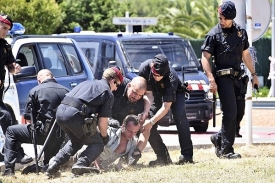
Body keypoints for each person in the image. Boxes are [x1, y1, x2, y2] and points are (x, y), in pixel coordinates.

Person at [201, 1, 260, 158]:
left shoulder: (241, 32)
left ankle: (219, 137)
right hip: (222, 77)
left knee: (239, 112)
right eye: (220, 18)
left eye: (224, 18)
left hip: (238, 77)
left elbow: (245, 54)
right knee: (230, 112)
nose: (222, 21)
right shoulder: (213, 34)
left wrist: (254, 74)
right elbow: (205, 58)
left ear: (232, 18)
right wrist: (210, 79)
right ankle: (226, 151)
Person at [46, 67, 123, 177]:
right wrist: (104, 137)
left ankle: (54, 164)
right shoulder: (108, 93)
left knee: (76, 141)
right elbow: (103, 122)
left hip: (60, 113)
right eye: (117, 84)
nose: (116, 89)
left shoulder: (87, 83)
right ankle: (80, 164)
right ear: (112, 81)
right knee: (98, 143)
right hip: (74, 115)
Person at [2, 69, 69, 176]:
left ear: (39, 80)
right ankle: (47, 164)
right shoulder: (66, 91)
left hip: (41, 133)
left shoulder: (35, 91)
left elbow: (29, 119)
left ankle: (9, 170)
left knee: (11, 131)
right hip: (59, 136)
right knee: (49, 158)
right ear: (53, 78)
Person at [139, 54, 193, 166]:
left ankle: (187, 156)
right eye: (154, 74)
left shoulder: (171, 78)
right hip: (155, 95)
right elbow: (148, 94)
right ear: (151, 65)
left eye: (160, 76)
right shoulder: (144, 68)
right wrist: (146, 113)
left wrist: (152, 122)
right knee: (148, 123)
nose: (157, 78)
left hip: (175, 93)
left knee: (180, 117)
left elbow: (166, 107)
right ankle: (163, 158)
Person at [0, 14, 32, 164]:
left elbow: (10, 66)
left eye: (8, 29)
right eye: (4, 28)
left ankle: (13, 155)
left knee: (7, 118)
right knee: (5, 116)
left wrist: (15, 68)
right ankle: (17, 154)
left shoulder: (5, 45)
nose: (6, 32)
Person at [75, 115, 141, 171]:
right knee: (67, 163)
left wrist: (121, 165)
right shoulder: (109, 132)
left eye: (135, 132)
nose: (132, 135)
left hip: (94, 167)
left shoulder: (133, 142)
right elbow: (94, 146)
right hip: (81, 157)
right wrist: (98, 167)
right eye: (130, 131)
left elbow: (126, 159)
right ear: (123, 126)